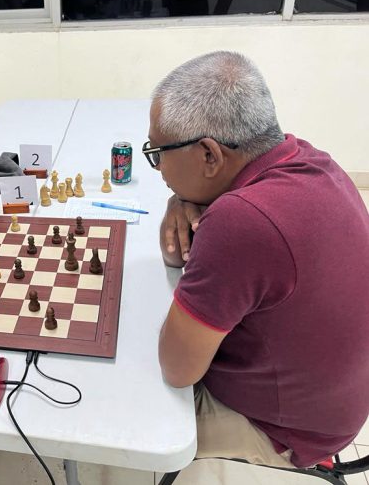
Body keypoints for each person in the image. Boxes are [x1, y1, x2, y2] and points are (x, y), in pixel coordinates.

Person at [151, 51, 369, 469]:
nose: (158, 167)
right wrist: (182, 197)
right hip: (335, 404)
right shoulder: (304, 158)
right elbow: (176, 252)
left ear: (209, 156)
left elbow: (177, 369)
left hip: (286, 432)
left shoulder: (240, 222)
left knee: (124, 378)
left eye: (159, 153)